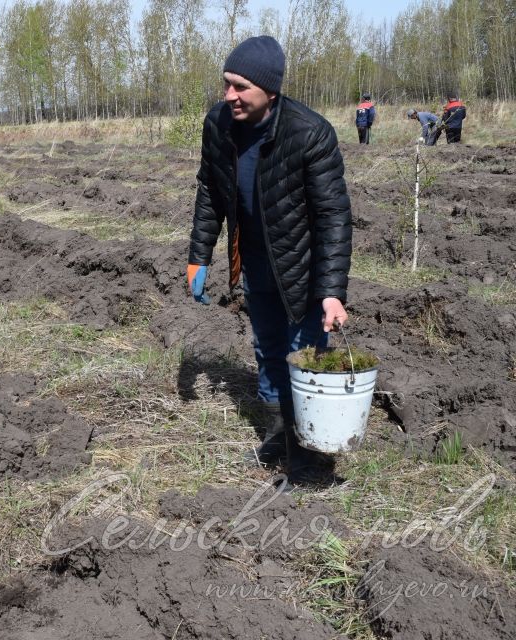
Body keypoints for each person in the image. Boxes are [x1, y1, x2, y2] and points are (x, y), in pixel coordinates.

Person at [187, 36, 352, 485]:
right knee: (267, 349)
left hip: (302, 267)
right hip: (255, 261)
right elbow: (210, 192)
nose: (229, 96)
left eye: (240, 87)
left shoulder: (309, 132)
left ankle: (309, 456)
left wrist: (332, 292)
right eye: (226, 84)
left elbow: (334, 215)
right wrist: (198, 254)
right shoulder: (218, 124)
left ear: (270, 91)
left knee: (303, 353)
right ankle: (278, 438)